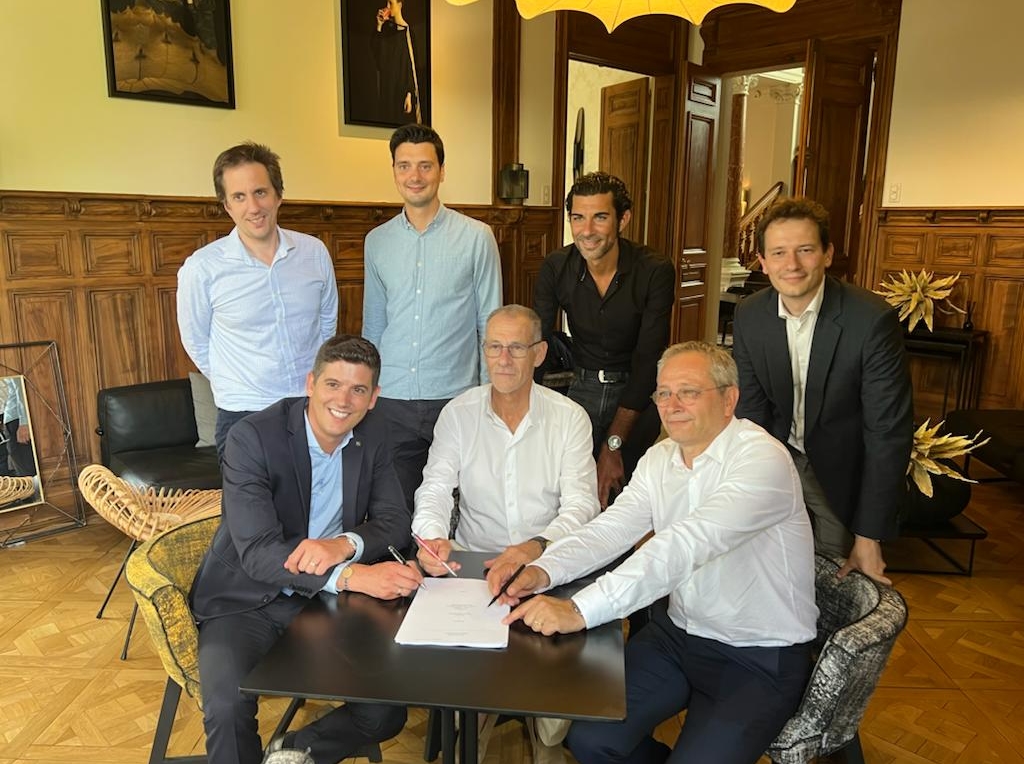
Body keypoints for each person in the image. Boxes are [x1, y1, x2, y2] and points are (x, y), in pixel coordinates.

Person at [495, 341, 817, 764]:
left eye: (689, 392)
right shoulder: (661, 457)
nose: (672, 405)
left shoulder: (762, 459)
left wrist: (578, 609)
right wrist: (543, 570)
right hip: (679, 634)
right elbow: (611, 529)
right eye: (663, 393)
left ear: (729, 399)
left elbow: (682, 546)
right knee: (589, 737)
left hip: (756, 653)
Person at [191, 335, 421, 764]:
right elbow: (258, 552)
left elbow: (394, 521)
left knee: (385, 712)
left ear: (374, 398)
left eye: (358, 390)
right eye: (333, 384)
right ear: (311, 383)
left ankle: (294, 750)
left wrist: (343, 544)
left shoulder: (375, 435)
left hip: (323, 605)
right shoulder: (253, 437)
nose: (343, 401)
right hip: (245, 598)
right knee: (226, 706)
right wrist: (350, 575)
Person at [413, 304, 599, 764]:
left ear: (539, 354)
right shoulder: (459, 413)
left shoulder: (570, 417)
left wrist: (535, 548)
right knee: (470, 700)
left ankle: (542, 732)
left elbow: (582, 507)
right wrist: (432, 537)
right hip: (477, 566)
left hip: (550, 564)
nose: (504, 359)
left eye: (516, 348)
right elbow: (435, 486)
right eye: (494, 347)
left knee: (554, 718)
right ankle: (479, 721)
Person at [731, 196, 913, 584]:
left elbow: (887, 431)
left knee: (832, 579)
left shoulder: (872, 320)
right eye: (778, 253)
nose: (792, 265)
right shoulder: (750, 314)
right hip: (777, 456)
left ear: (828, 254)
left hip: (840, 469)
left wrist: (869, 535)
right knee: (756, 567)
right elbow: (751, 413)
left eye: (805, 250)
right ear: (762, 261)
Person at [362, 124, 503, 511]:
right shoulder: (377, 242)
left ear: (442, 171)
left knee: (460, 508)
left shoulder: (477, 237)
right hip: (391, 399)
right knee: (397, 509)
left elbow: (490, 324)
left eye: (425, 166)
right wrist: (365, 392)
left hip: (455, 397)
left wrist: (489, 397)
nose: (415, 176)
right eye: (404, 166)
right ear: (394, 171)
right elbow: (373, 326)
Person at [177, 142, 339, 456]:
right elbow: (196, 341)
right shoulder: (202, 268)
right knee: (250, 493)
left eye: (260, 192)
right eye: (239, 196)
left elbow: (326, 323)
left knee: (318, 490)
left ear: (278, 195)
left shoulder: (314, 252)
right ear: (227, 205)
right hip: (243, 415)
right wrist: (237, 382)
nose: (253, 207)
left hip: (310, 407)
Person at [534, 172, 674, 508]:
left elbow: (648, 360)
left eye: (600, 217)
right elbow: (536, 342)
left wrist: (613, 445)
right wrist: (530, 410)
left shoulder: (654, 270)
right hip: (581, 386)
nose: (587, 230)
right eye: (577, 218)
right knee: (567, 492)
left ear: (623, 219)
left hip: (637, 394)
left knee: (623, 497)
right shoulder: (556, 266)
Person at [371, 0, 422, 124]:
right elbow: (378, 58)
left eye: (391, 3)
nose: (387, 6)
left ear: (400, 4)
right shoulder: (387, 31)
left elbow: (412, 67)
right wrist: (379, 26)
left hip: (401, 93)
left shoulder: (408, 33)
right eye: (387, 3)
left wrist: (409, 94)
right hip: (387, 91)